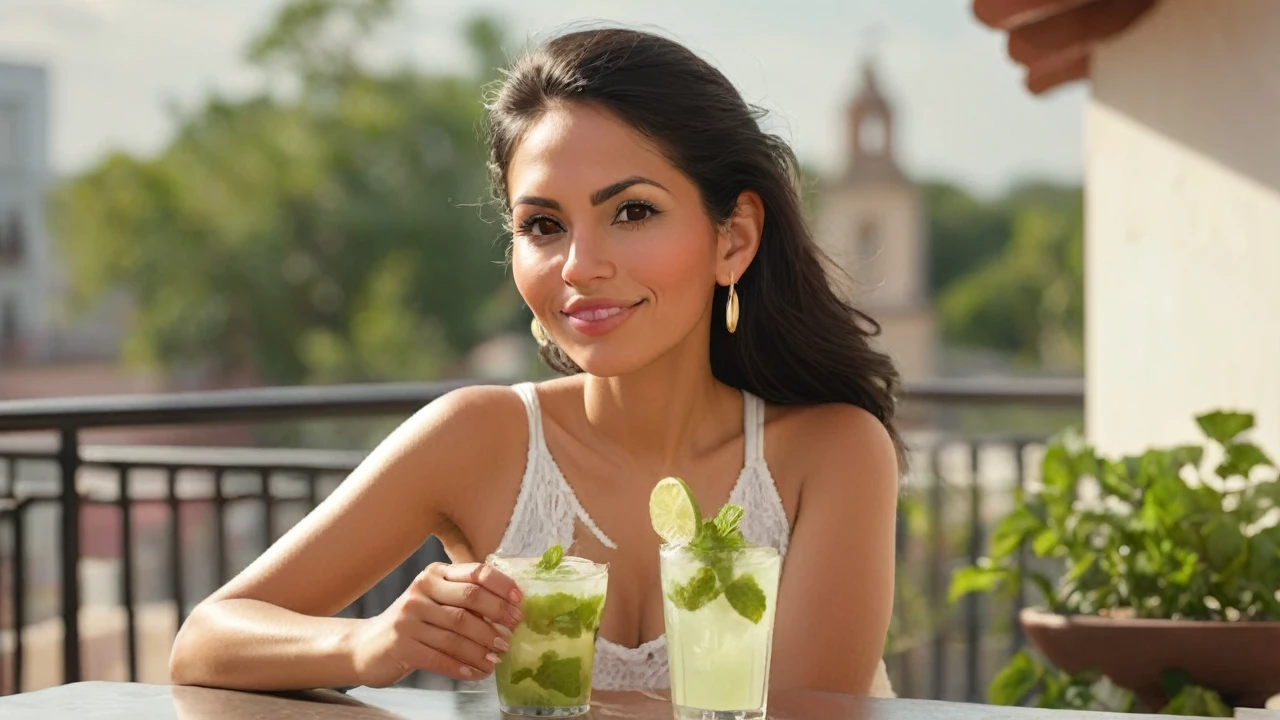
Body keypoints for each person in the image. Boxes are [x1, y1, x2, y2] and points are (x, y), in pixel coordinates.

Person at [169, 26, 902, 698]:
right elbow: (206, 639)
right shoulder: (477, 438)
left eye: (633, 211)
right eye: (544, 225)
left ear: (734, 239)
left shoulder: (832, 455)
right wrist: (370, 642)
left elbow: (809, 714)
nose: (580, 266)